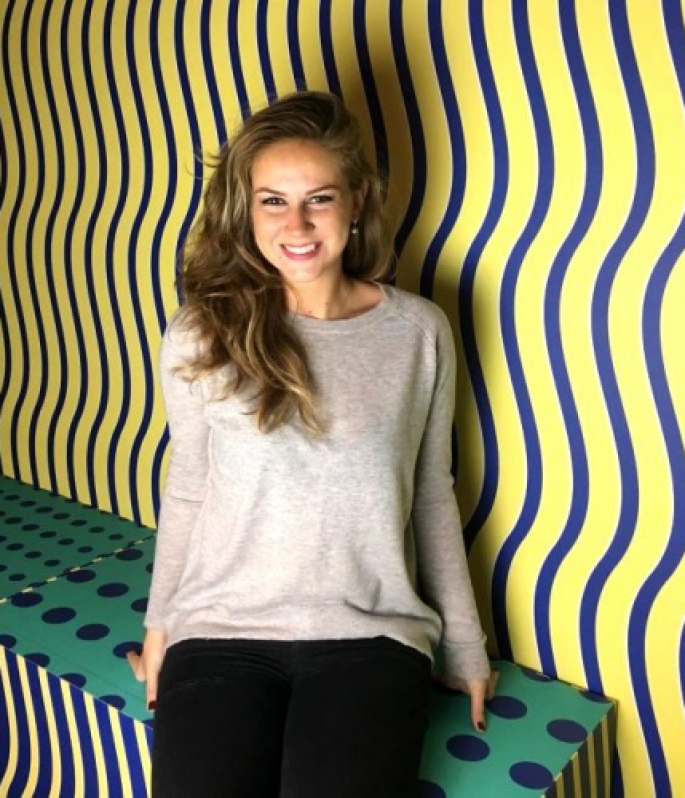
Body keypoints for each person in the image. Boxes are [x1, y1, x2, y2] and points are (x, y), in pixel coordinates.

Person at [128, 90, 496, 798]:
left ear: (357, 202)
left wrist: (464, 645)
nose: (295, 224)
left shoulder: (418, 332)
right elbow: (190, 486)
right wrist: (160, 627)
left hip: (372, 638)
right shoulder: (201, 333)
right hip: (220, 629)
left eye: (318, 198)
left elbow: (430, 494)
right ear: (247, 210)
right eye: (273, 201)